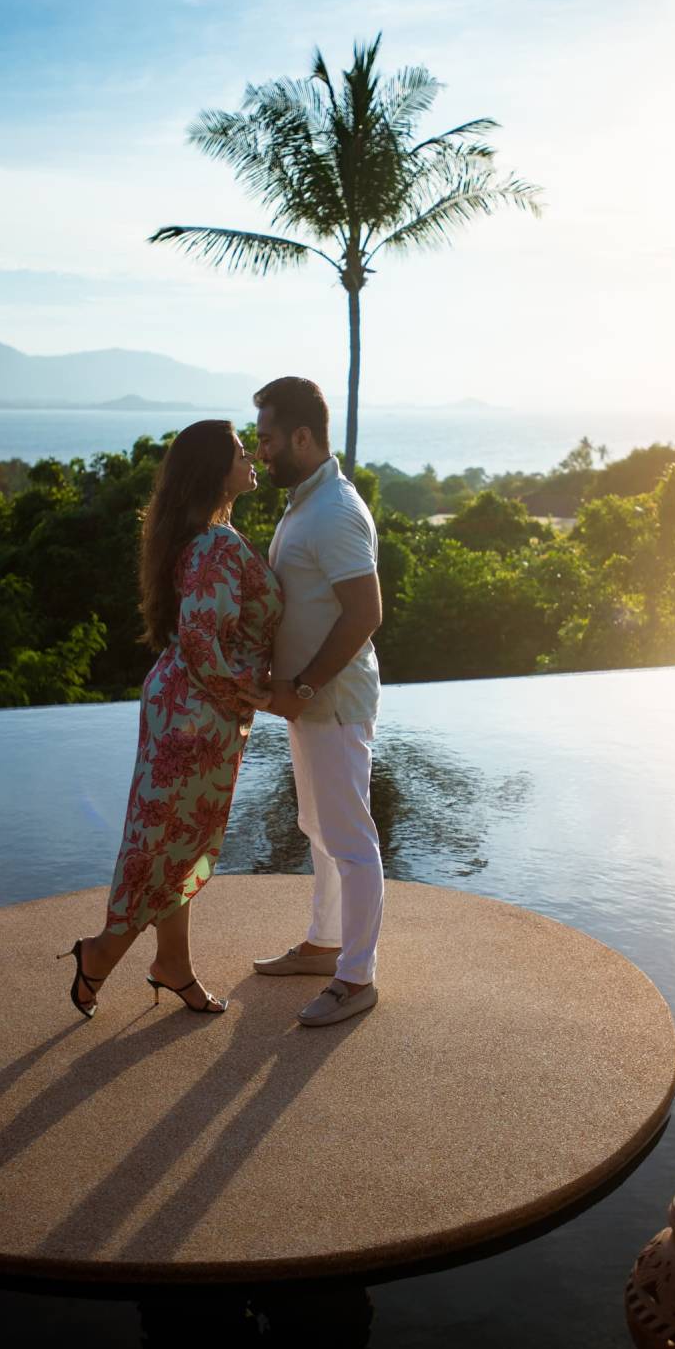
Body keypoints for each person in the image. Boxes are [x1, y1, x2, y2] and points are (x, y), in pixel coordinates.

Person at [58, 420, 282, 1018]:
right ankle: (100, 953)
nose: (251, 458)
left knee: (174, 843)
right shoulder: (213, 544)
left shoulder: (204, 534)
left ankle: (172, 964)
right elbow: (203, 640)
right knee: (163, 845)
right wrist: (263, 697)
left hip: (186, 705)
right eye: (240, 452)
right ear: (215, 470)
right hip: (196, 715)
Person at [238, 376, 384, 1028]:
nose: (259, 451)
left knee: (350, 839)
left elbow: (364, 614)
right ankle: (325, 946)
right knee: (319, 829)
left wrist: (301, 687)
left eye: (267, 439)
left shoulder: (335, 511)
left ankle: (356, 979)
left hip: (331, 700)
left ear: (302, 437)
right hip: (308, 701)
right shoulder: (306, 503)